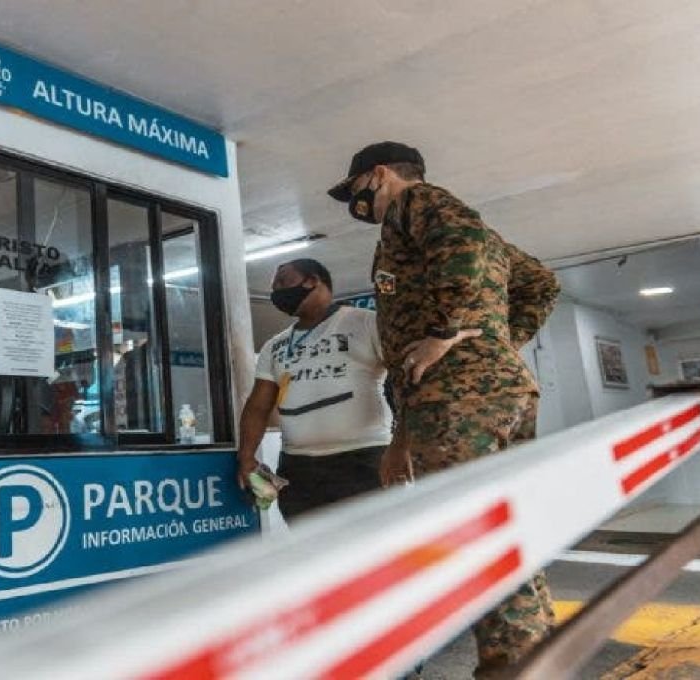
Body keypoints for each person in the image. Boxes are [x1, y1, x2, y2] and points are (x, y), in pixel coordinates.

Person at [328, 141, 561, 677]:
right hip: (483, 393)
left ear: (379, 175)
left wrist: (448, 334)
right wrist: (497, 343)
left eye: (355, 190)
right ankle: (535, 655)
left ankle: (514, 667)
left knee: (479, 538)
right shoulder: (451, 229)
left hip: (458, 398)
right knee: (503, 529)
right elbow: (542, 284)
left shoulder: (416, 203)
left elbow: (465, 245)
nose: (355, 204)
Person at [235, 258, 402, 521]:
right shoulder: (273, 346)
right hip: (298, 468)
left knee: (370, 548)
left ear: (312, 280)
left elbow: (406, 379)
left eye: (282, 281)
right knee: (313, 551)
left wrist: (403, 443)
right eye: (273, 286)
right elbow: (258, 406)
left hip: (363, 460)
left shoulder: (365, 323)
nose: (276, 291)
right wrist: (246, 458)